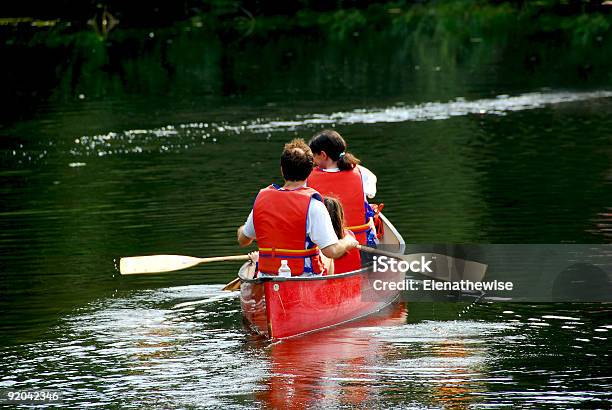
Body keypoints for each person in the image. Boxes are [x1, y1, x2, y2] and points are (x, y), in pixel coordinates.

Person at [237, 138, 358, 277]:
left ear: (282, 170)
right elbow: (332, 251)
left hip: (268, 278)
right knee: (324, 255)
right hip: (303, 280)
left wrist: (245, 228)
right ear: (309, 171)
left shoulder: (262, 200)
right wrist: (348, 242)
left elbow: (243, 240)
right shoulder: (314, 205)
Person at [307, 129, 377, 245]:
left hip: (327, 247)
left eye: (314, 155)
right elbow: (371, 193)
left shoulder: (308, 179)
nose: (313, 160)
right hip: (361, 241)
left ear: (323, 155)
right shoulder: (363, 173)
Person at [323, 197, 362, 274]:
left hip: (330, 283)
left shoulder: (316, 242)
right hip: (354, 282)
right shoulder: (350, 236)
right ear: (340, 217)